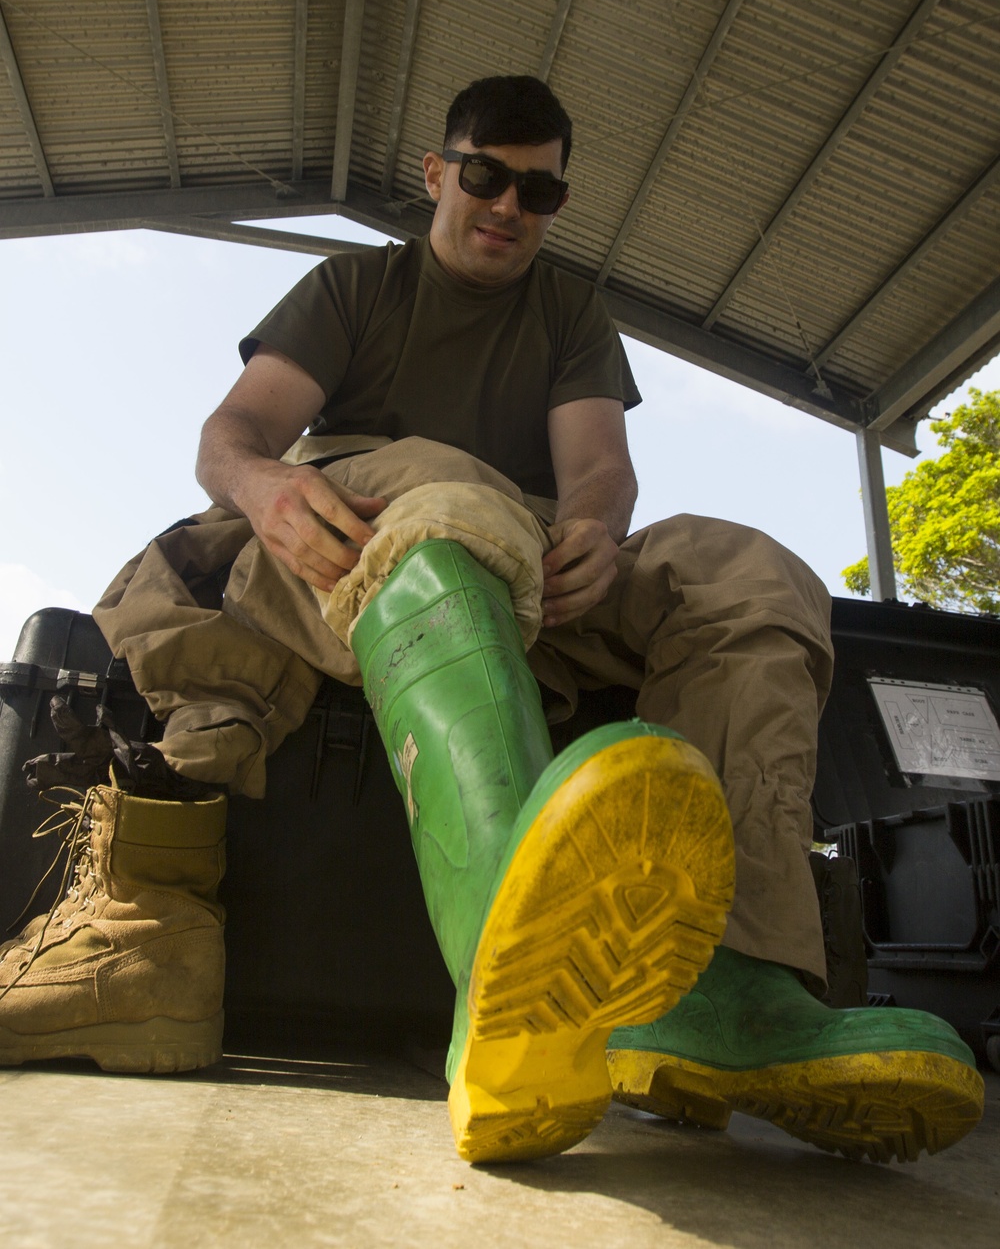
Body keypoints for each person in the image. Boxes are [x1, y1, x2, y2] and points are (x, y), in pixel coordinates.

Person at [0, 76, 983, 1166]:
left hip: (531, 572)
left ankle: (724, 988)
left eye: (540, 192)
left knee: (751, 574)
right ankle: (506, 988)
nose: (510, 207)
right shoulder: (352, 288)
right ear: (437, 173)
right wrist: (262, 488)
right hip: (341, 540)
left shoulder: (567, 314)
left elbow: (599, 469)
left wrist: (600, 530)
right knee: (445, 489)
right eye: (486, 177)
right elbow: (233, 432)